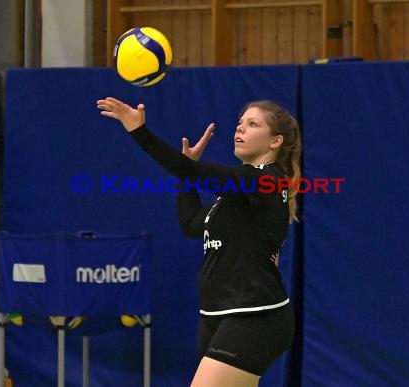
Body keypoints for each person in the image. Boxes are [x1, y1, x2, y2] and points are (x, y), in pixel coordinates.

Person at [96, 96, 301, 387]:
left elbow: (188, 170)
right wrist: (187, 176)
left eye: (252, 124)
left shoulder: (264, 181)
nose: (240, 129)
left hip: (253, 315)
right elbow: (191, 225)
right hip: (216, 314)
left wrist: (138, 131)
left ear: (275, 141)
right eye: (240, 123)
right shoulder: (237, 192)